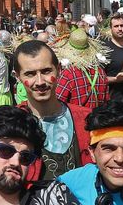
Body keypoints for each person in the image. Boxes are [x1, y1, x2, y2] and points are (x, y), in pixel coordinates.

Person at [13, 40, 94, 181]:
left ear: (59, 69)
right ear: (17, 77)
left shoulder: (86, 119)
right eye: (30, 74)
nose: (40, 82)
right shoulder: (11, 123)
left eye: (46, 71)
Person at [55, 30, 110, 115]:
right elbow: (106, 101)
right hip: (96, 121)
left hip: (76, 121)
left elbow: (58, 102)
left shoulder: (68, 73)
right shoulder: (100, 72)